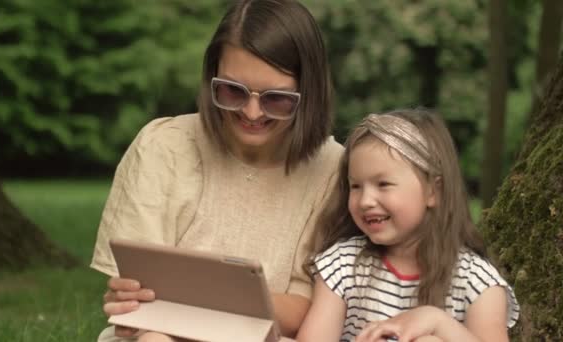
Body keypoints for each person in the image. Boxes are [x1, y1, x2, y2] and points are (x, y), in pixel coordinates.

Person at [90, 0, 343, 341]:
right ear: (211, 78)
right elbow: (137, 288)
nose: (252, 113)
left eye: (276, 99)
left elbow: (308, 310)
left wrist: (193, 301)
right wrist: (129, 302)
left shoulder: (332, 169)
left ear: (308, 93)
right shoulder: (164, 146)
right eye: (232, 91)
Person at [296, 109, 520, 342]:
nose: (365, 201)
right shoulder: (342, 265)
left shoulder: (476, 282)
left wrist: (437, 321)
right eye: (356, 186)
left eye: (383, 184)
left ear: (433, 191)